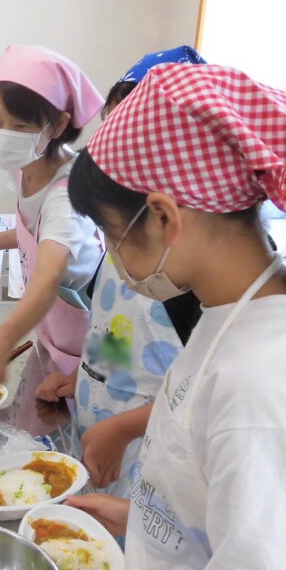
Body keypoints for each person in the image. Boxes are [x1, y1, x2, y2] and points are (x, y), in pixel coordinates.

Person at [58, 63, 286, 570]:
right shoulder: (228, 319)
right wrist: (143, 519)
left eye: (112, 233)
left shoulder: (267, 380)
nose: (112, 255)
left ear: (165, 217)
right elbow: (224, 504)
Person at [35, 46, 205, 496]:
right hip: (98, 432)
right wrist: (87, 377)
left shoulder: (193, 266)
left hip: (149, 453)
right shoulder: (127, 227)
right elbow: (117, 328)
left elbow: (204, 393)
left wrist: (124, 427)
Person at [0, 45, 105, 391]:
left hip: (87, 357)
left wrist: (2, 340)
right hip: (52, 340)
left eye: (20, 126)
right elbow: (39, 232)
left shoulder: (66, 197)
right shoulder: (26, 165)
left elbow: (49, 275)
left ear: (58, 125)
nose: (4, 134)